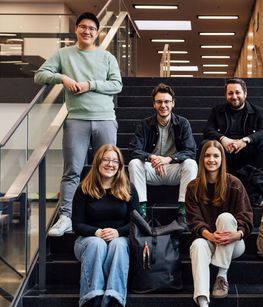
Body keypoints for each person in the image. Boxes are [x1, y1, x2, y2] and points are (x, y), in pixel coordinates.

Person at [34, 12, 122, 236]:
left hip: (105, 118)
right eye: (83, 27)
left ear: (97, 32)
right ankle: (66, 217)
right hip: (76, 119)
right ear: (76, 29)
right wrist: (62, 78)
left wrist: (90, 84)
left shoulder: (107, 57)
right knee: (72, 170)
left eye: (92, 28)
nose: (87, 31)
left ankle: (111, 213)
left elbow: (117, 85)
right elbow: (40, 75)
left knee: (111, 168)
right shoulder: (64, 54)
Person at [185, 140, 253, 307]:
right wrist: (210, 236)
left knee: (225, 217)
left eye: (216, 156)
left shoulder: (234, 184)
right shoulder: (193, 187)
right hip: (209, 240)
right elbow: (194, 221)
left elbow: (246, 217)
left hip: (234, 243)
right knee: (197, 245)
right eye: (207, 156)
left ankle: (222, 275)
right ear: (202, 159)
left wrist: (238, 234)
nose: (211, 160)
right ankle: (202, 301)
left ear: (222, 159)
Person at [72, 144, 138, 307]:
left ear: (120, 166)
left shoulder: (128, 188)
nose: (110, 164)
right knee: (97, 244)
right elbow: (77, 224)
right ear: (98, 162)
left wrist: (118, 232)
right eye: (106, 159)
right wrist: (96, 232)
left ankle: (114, 298)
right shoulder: (84, 189)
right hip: (88, 241)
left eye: (115, 161)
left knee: (118, 244)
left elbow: (137, 222)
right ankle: (92, 298)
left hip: (120, 239)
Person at [128, 83, 197, 223]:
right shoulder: (144, 124)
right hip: (152, 169)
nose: (163, 105)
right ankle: (141, 211)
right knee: (134, 163)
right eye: (159, 102)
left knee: (191, 164)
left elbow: (191, 151)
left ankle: (183, 212)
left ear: (173, 103)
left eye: (167, 101)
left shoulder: (183, 123)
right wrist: (151, 157)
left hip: (173, 169)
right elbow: (134, 150)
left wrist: (169, 159)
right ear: (154, 104)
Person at [203, 78, 263, 205]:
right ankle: (210, 192)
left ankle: (261, 194)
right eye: (230, 93)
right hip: (225, 152)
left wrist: (246, 140)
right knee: (205, 145)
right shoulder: (217, 111)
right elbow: (208, 130)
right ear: (226, 95)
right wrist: (223, 139)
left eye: (238, 92)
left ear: (245, 94)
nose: (234, 96)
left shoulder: (257, 111)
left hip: (248, 152)